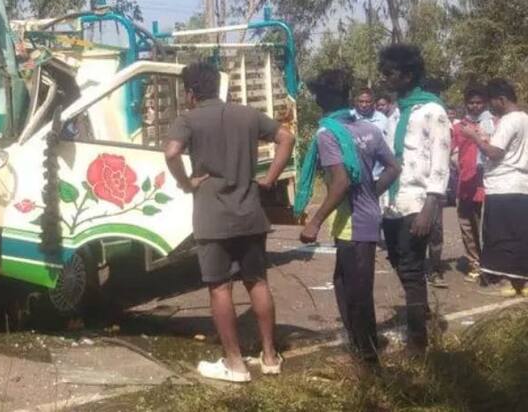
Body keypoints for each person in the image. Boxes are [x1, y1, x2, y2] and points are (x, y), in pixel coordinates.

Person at [164, 62, 295, 383]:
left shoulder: (188, 119)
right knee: (258, 282)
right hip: (250, 214)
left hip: (211, 217)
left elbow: (171, 153)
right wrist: (270, 178)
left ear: (191, 92)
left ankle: (235, 364)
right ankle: (269, 356)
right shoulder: (247, 114)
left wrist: (186, 183)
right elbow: (286, 138)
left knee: (220, 288)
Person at [297, 70, 401, 368]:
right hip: (359, 220)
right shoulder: (368, 129)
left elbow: (340, 182)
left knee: (356, 293)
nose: (316, 102)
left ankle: (368, 358)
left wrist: (315, 221)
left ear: (325, 99)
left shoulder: (328, 133)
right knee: (344, 284)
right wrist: (371, 191)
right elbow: (393, 167)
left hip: (355, 223)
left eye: (317, 97)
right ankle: (360, 346)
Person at [378, 44, 451, 354]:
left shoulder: (432, 111)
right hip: (393, 204)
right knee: (396, 260)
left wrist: (430, 209)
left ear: (408, 75)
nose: (385, 78)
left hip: (417, 202)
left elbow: (441, 160)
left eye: (389, 73)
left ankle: (418, 340)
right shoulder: (396, 111)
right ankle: (423, 313)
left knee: (410, 268)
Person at [462, 78, 528, 297]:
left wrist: (474, 137)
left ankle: (509, 282)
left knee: (502, 235)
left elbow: (495, 153)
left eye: (492, 102)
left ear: (501, 99)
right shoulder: (525, 119)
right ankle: (523, 281)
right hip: (521, 185)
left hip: (503, 185)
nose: (491, 107)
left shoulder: (509, 120)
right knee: (520, 234)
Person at [450, 83, 494, 284]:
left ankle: (492, 264)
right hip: (465, 184)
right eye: (471, 103)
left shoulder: (492, 124)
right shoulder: (459, 128)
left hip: (487, 184)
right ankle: (474, 263)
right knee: (467, 226)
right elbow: (452, 151)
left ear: (484, 104)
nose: (475, 106)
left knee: (487, 226)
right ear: (466, 104)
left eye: (479, 103)